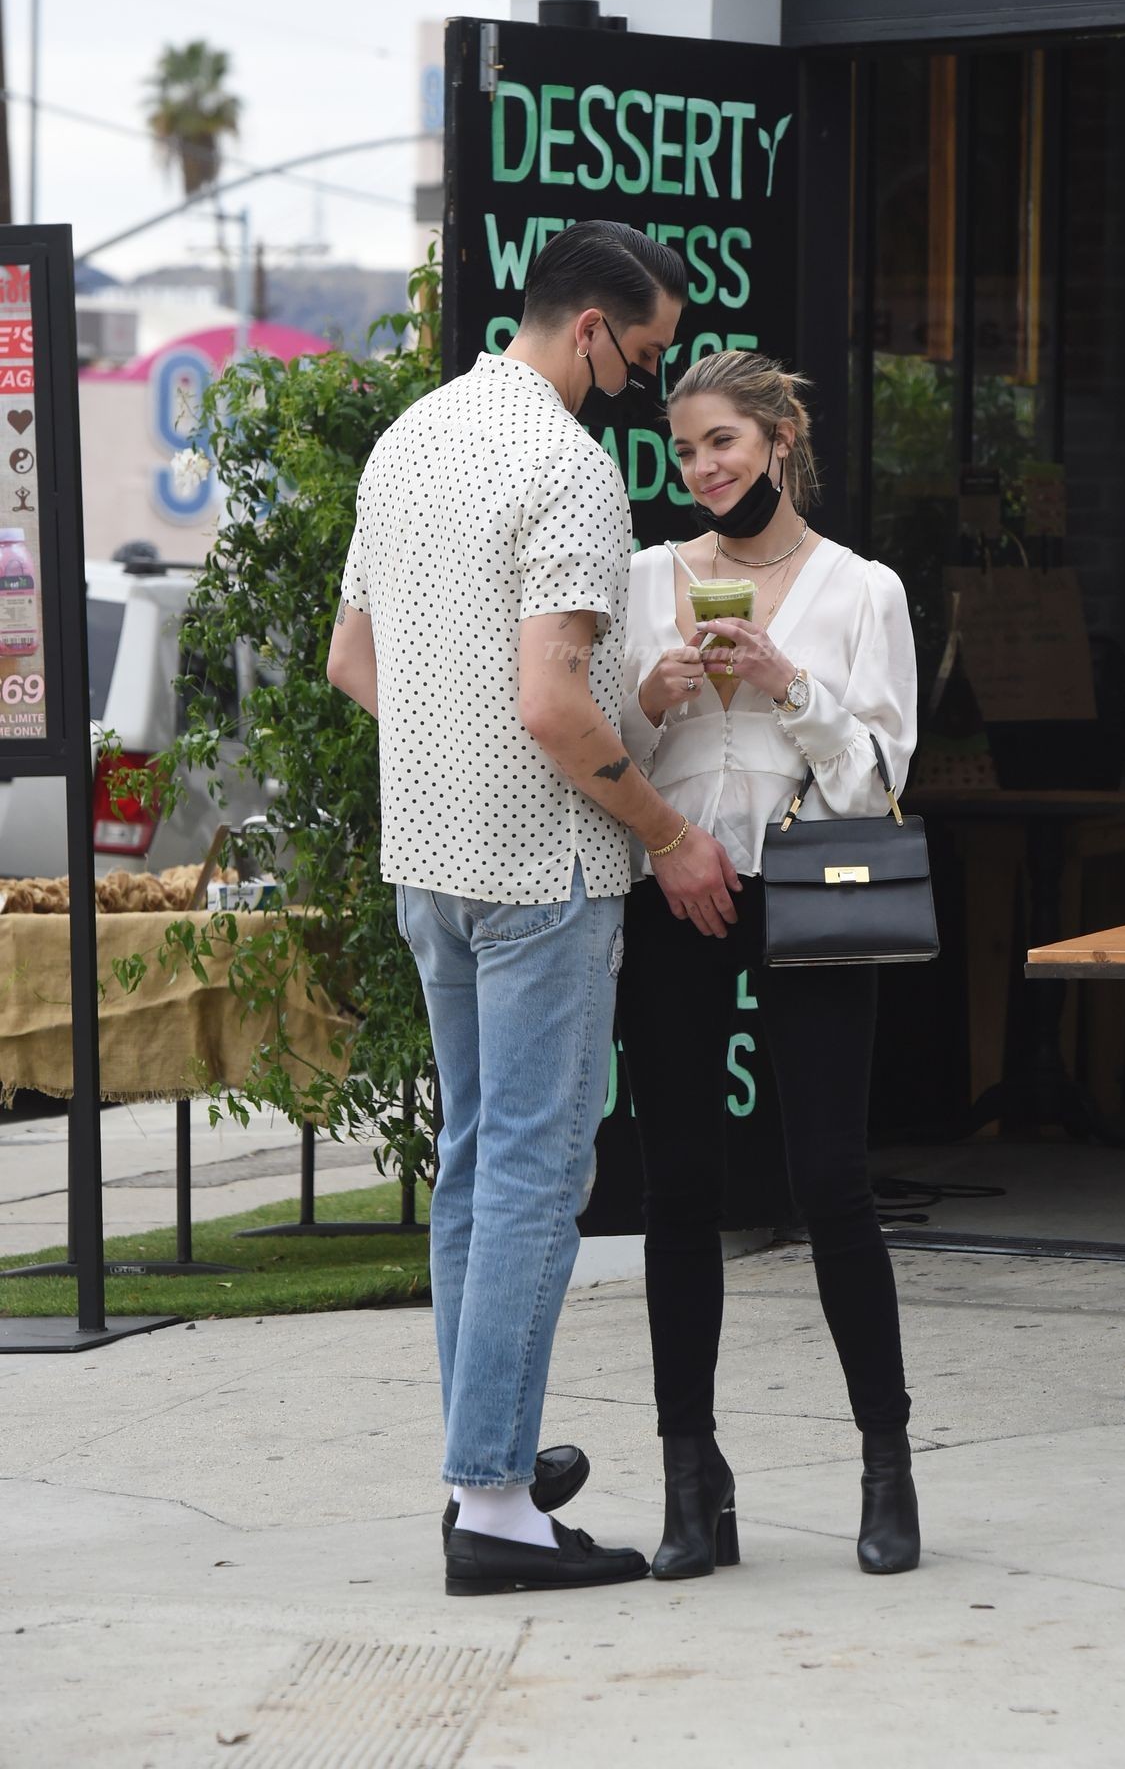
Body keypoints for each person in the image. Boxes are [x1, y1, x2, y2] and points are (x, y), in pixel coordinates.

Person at [326, 221, 741, 1597]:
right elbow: (553, 706)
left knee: (474, 1164)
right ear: (592, 329)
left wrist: (455, 757)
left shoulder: (409, 440)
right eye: (646, 357)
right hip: (543, 870)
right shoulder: (566, 466)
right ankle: (497, 1507)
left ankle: (480, 1465)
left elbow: (352, 660)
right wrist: (670, 833)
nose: (643, 385)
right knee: (533, 1175)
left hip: (430, 863)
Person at [617, 350, 922, 1580]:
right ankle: (691, 1482)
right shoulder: (647, 579)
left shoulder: (863, 591)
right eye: (685, 450)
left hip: (811, 887)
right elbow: (608, 753)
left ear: (779, 440)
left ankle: (888, 1468)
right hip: (676, 887)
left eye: (722, 444)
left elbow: (879, 780)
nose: (701, 469)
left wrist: (789, 685)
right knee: (678, 1188)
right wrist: (655, 693)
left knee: (832, 1179)